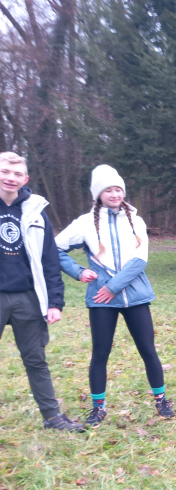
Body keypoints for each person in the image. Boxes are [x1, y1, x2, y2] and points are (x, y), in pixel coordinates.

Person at [56, 165, 174, 425]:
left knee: (148, 350)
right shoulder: (85, 223)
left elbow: (140, 260)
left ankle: (161, 400)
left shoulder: (136, 221)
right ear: (98, 194)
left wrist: (113, 287)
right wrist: (78, 271)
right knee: (100, 353)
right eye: (108, 190)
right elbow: (54, 248)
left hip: (135, 296)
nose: (114, 194)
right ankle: (98, 408)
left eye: (118, 189)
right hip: (101, 301)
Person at [0, 152, 83, 431]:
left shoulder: (36, 211)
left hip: (28, 297)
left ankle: (52, 417)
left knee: (36, 360)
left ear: (25, 179)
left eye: (17, 174)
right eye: (4, 171)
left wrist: (54, 302)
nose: (10, 178)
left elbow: (50, 260)